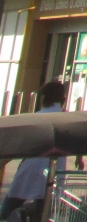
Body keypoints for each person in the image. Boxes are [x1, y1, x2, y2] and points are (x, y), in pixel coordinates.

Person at [0, 82, 67, 222]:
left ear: (43, 98)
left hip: (30, 169)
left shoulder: (35, 118)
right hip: (54, 172)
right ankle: (27, 212)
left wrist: (2, 162)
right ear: (63, 99)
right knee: (43, 210)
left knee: (7, 208)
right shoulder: (68, 119)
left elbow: (18, 147)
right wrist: (79, 159)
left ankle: (22, 214)